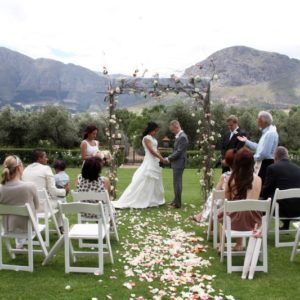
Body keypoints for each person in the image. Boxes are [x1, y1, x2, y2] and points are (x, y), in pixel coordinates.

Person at [113, 122, 165, 209]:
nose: (155, 132)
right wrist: (161, 158)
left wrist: (161, 158)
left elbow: (156, 149)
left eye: (156, 131)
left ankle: (154, 199)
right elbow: (152, 151)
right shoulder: (146, 138)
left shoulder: (153, 138)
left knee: (154, 180)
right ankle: (142, 199)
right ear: (150, 130)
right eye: (154, 131)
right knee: (145, 179)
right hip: (149, 161)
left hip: (155, 162)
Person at [219, 148, 262, 251]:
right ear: (251, 163)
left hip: (234, 222)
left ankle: (222, 245)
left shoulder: (231, 179)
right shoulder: (258, 180)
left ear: (236, 162)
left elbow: (227, 201)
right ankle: (239, 244)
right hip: (254, 222)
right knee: (243, 212)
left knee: (222, 214)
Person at [0, 155, 39, 249]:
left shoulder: (1, 188)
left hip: (8, 228)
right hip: (29, 228)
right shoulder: (30, 186)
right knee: (27, 216)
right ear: (18, 168)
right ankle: (20, 244)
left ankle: (19, 244)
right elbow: (37, 206)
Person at [192, 149, 236, 223]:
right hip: (235, 207)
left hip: (224, 208)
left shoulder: (225, 176)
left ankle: (202, 215)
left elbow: (215, 193)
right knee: (215, 197)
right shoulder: (245, 177)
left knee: (213, 196)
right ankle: (202, 214)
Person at [261, 146, 300, 230]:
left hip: (280, 210)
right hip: (298, 209)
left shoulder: (272, 168)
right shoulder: (298, 169)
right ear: (287, 156)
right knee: (287, 196)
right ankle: (285, 226)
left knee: (262, 199)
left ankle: (259, 229)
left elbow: (266, 190)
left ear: (275, 156)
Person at [238, 111, 278, 185]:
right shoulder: (267, 132)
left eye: (258, 119)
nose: (257, 121)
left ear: (263, 121)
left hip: (265, 164)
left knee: (259, 186)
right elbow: (259, 147)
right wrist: (246, 141)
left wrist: (252, 158)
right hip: (263, 163)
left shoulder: (270, 133)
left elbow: (265, 153)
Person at [163, 120, 189, 209]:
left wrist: (168, 158)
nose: (172, 132)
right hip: (177, 163)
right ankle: (175, 201)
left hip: (179, 163)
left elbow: (178, 152)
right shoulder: (179, 136)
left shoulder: (183, 137)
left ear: (176, 126)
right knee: (176, 182)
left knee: (177, 183)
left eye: (173, 130)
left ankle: (177, 204)